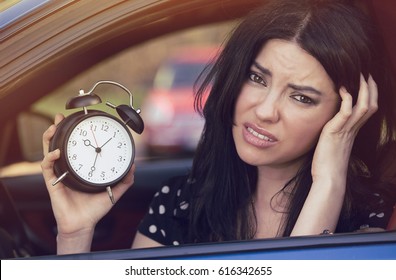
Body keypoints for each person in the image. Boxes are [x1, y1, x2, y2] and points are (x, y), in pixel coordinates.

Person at [41, 0, 396, 254]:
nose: (266, 111)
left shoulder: (369, 217)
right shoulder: (181, 203)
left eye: (301, 97)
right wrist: (75, 234)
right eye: (256, 78)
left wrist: (329, 185)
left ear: (345, 114)